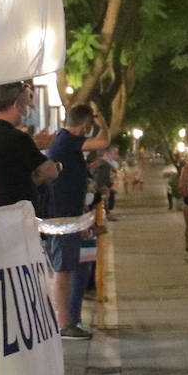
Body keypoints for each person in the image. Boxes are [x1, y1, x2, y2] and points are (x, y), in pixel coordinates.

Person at [46, 104, 111, 339]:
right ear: (85, 125)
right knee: (62, 270)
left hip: (69, 215)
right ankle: (63, 323)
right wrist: (101, 121)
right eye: (90, 126)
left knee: (68, 268)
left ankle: (70, 320)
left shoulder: (65, 141)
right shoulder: (68, 140)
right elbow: (103, 142)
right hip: (62, 218)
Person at [0, 82, 58, 207]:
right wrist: (30, 181)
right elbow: (50, 171)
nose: (28, 109)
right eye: (26, 105)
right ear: (17, 105)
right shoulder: (17, 138)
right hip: (16, 213)